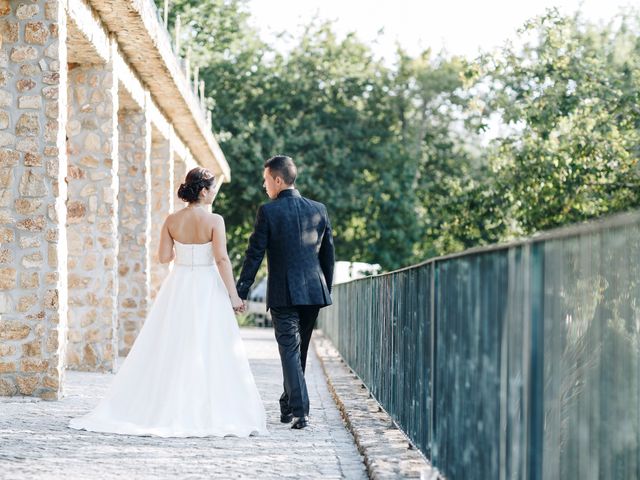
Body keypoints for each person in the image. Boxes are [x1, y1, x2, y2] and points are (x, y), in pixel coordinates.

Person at [69, 167, 267, 438]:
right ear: (202, 191)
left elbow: (164, 257)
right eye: (211, 189)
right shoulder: (215, 221)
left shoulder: (171, 220)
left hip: (180, 285)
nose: (213, 194)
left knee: (172, 343)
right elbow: (222, 259)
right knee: (210, 344)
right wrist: (233, 295)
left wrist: (182, 246)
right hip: (207, 286)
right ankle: (206, 408)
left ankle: (167, 403)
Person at [236, 155, 335, 430]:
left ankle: (301, 412)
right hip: (314, 292)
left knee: (291, 352)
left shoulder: (268, 212)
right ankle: (288, 404)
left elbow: (254, 254)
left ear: (278, 180)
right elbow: (328, 256)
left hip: (284, 293)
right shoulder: (319, 209)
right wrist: (327, 288)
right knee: (297, 351)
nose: (264, 185)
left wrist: (241, 289)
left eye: (266, 180)